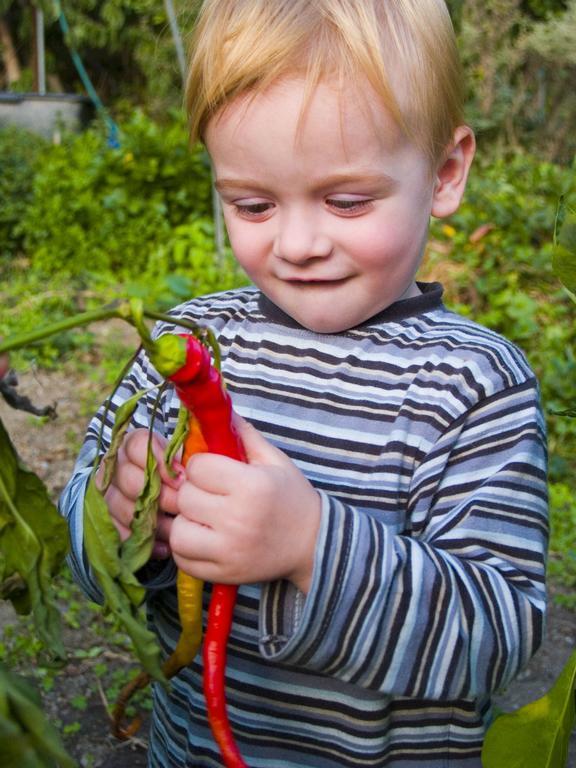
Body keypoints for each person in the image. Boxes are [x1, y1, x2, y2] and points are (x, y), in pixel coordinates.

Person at [59, 1, 548, 766]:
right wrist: (123, 524)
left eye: (346, 200)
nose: (297, 244)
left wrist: (311, 545)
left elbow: (496, 637)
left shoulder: (473, 385)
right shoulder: (181, 347)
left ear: (445, 173)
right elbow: (79, 533)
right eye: (252, 205)